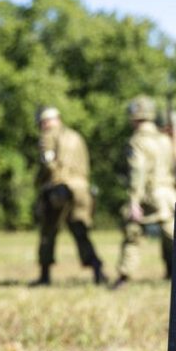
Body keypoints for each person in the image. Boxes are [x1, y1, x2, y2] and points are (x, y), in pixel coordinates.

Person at [31, 106, 106, 286]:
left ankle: (44, 275)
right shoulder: (76, 136)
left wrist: (41, 181)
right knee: (80, 231)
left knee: (48, 232)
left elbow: (47, 162)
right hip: (82, 190)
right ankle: (97, 270)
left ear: (45, 122)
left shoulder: (47, 136)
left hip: (59, 189)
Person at [113, 95, 176, 288]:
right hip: (169, 195)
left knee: (132, 232)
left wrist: (134, 201)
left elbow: (137, 173)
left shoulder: (137, 142)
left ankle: (123, 277)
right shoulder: (165, 139)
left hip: (150, 196)